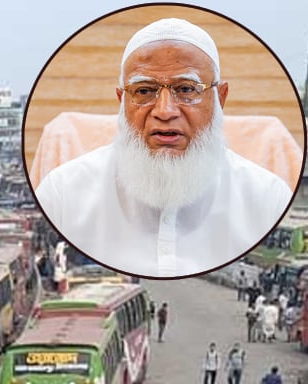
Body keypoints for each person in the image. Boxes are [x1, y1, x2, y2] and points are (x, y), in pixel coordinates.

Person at [32, 18, 291, 277]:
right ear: (122, 101)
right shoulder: (62, 194)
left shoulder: (267, 198)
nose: (165, 111)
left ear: (219, 98)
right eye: (145, 91)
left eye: (186, 89)